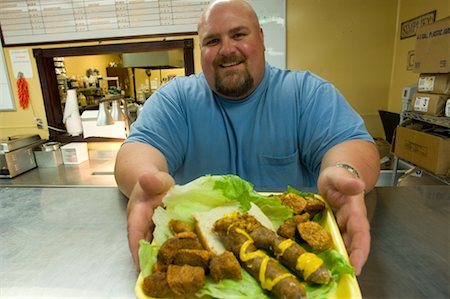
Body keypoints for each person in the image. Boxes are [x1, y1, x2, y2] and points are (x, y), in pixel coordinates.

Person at [115, 0, 380, 276]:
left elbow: (353, 144)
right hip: (204, 266)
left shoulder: (306, 93)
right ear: (200, 50)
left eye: (239, 34)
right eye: (212, 40)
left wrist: (345, 171)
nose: (227, 49)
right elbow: (138, 150)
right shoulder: (176, 99)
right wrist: (144, 180)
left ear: (262, 39)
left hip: (293, 260)